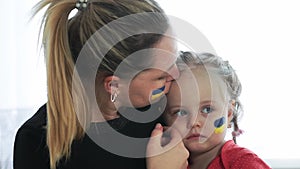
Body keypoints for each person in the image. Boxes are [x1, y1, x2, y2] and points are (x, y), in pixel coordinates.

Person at [13, 0, 189, 169]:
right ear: (113, 86)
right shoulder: (35, 141)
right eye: (161, 75)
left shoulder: (163, 106)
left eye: (175, 58)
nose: (176, 74)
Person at [164, 51, 271, 169]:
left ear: (229, 113)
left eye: (207, 109)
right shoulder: (166, 163)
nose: (194, 122)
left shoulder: (243, 163)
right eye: (180, 112)